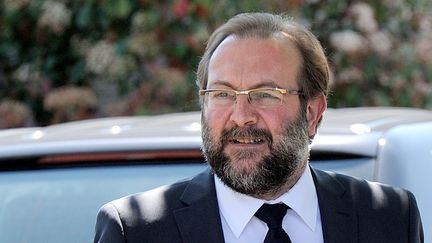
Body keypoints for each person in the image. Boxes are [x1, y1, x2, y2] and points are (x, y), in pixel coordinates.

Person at [93, 12, 423, 243]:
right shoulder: (136, 231)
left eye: (265, 95)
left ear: (312, 112)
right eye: (222, 94)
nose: (241, 116)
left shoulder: (388, 217)